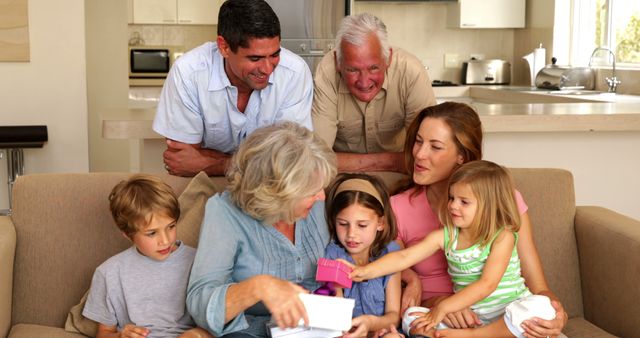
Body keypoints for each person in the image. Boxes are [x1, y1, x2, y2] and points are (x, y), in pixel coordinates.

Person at [391, 102, 568, 338]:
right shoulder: (398, 207)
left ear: (461, 157)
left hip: (503, 319)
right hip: (444, 318)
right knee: (413, 320)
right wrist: (440, 300)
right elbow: (393, 272)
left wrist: (555, 313)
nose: (420, 154)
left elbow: (538, 286)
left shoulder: (504, 201)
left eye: (435, 146)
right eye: (419, 141)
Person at [349, 160, 557, 338]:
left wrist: (444, 307)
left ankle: (475, 337)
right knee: (412, 315)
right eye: (451, 198)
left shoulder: (503, 236)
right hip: (474, 318)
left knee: (541, 307)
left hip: (508, 313)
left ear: (489, 206)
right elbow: (404, 257)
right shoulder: (447, 236)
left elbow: (487, 284)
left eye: (464, 202)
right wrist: (364, 271)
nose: (453, 206)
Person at [186, 122, 337, 337]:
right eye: (312, 191)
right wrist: (259, 286)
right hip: (250, 332)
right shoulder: (224, 212)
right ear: (278, 192)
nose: (322, 197)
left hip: (317, 328)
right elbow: (200, 302)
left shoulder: (315, 206)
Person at [153, 0, 314, 177]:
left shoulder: (294, 73)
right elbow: (182, 162)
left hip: (270, 190)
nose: (268, 69)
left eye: (275, 55)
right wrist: (263, 163)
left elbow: (292, 161)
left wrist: (220, 164)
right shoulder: (188, 73)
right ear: (224, 47)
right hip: (205, 184)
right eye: (255, 58)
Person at [82, 174, 213, 338]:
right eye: (152, 233)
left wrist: (199, 334)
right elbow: (104, 334)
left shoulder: (200, 262)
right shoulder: (109, 272)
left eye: (171, 226)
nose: (165, 240)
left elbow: (220, 322)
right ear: (128, 234)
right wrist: (121, 335)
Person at [312, 13, 436, 173]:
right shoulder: (327, 73)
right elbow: (317, 159)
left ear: (388, 58)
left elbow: (426, 157)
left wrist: (345, 161)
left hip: (402, 176)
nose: (364, 82)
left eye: (373, 68)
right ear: (338, 62)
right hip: (345, 177)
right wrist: (394, 161)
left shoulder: (410, 71)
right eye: (352, 70)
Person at [324, 173, 402, 338]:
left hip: (380, 332)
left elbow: (393, 316)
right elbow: (336, 310)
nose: (351, 234)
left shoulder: (390, 255)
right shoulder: (332, 256)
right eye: (343, 224)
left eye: (362, 225)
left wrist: (371, 323)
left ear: (380, 223)